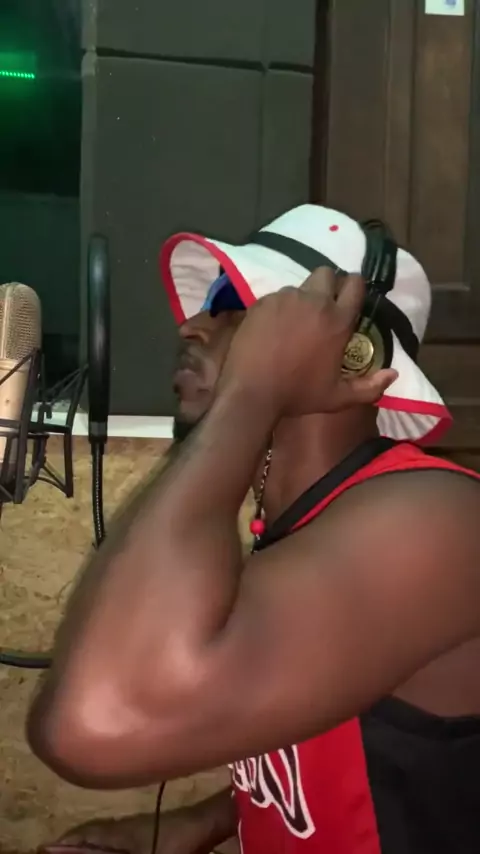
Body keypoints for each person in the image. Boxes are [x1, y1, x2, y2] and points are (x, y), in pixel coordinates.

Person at [31, 205, 480, 854]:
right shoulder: (312, 523)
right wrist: (206, 822)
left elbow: (94, 723)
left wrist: (251, 394)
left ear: (353, 352)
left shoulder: (436, 524)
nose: (190, 324)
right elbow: (335, 715)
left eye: (229, 302)